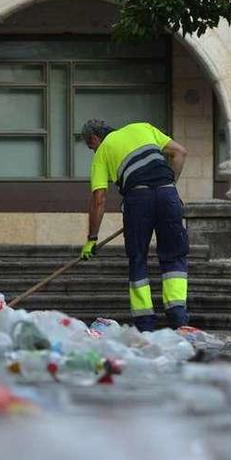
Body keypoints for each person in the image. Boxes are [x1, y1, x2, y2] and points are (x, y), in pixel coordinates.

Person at [80, 120, 190, 332]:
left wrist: (92, 239)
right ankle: (178, 318)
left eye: (90, 147)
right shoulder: (143, 127)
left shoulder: (103, 152)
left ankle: (146, 324)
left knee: (138, 258)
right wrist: (169, 187)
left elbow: (99, 198)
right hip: (168, 194)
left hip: (137, 200)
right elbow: (180, 153)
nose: (93, 151)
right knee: (174, 255)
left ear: (94, 139)